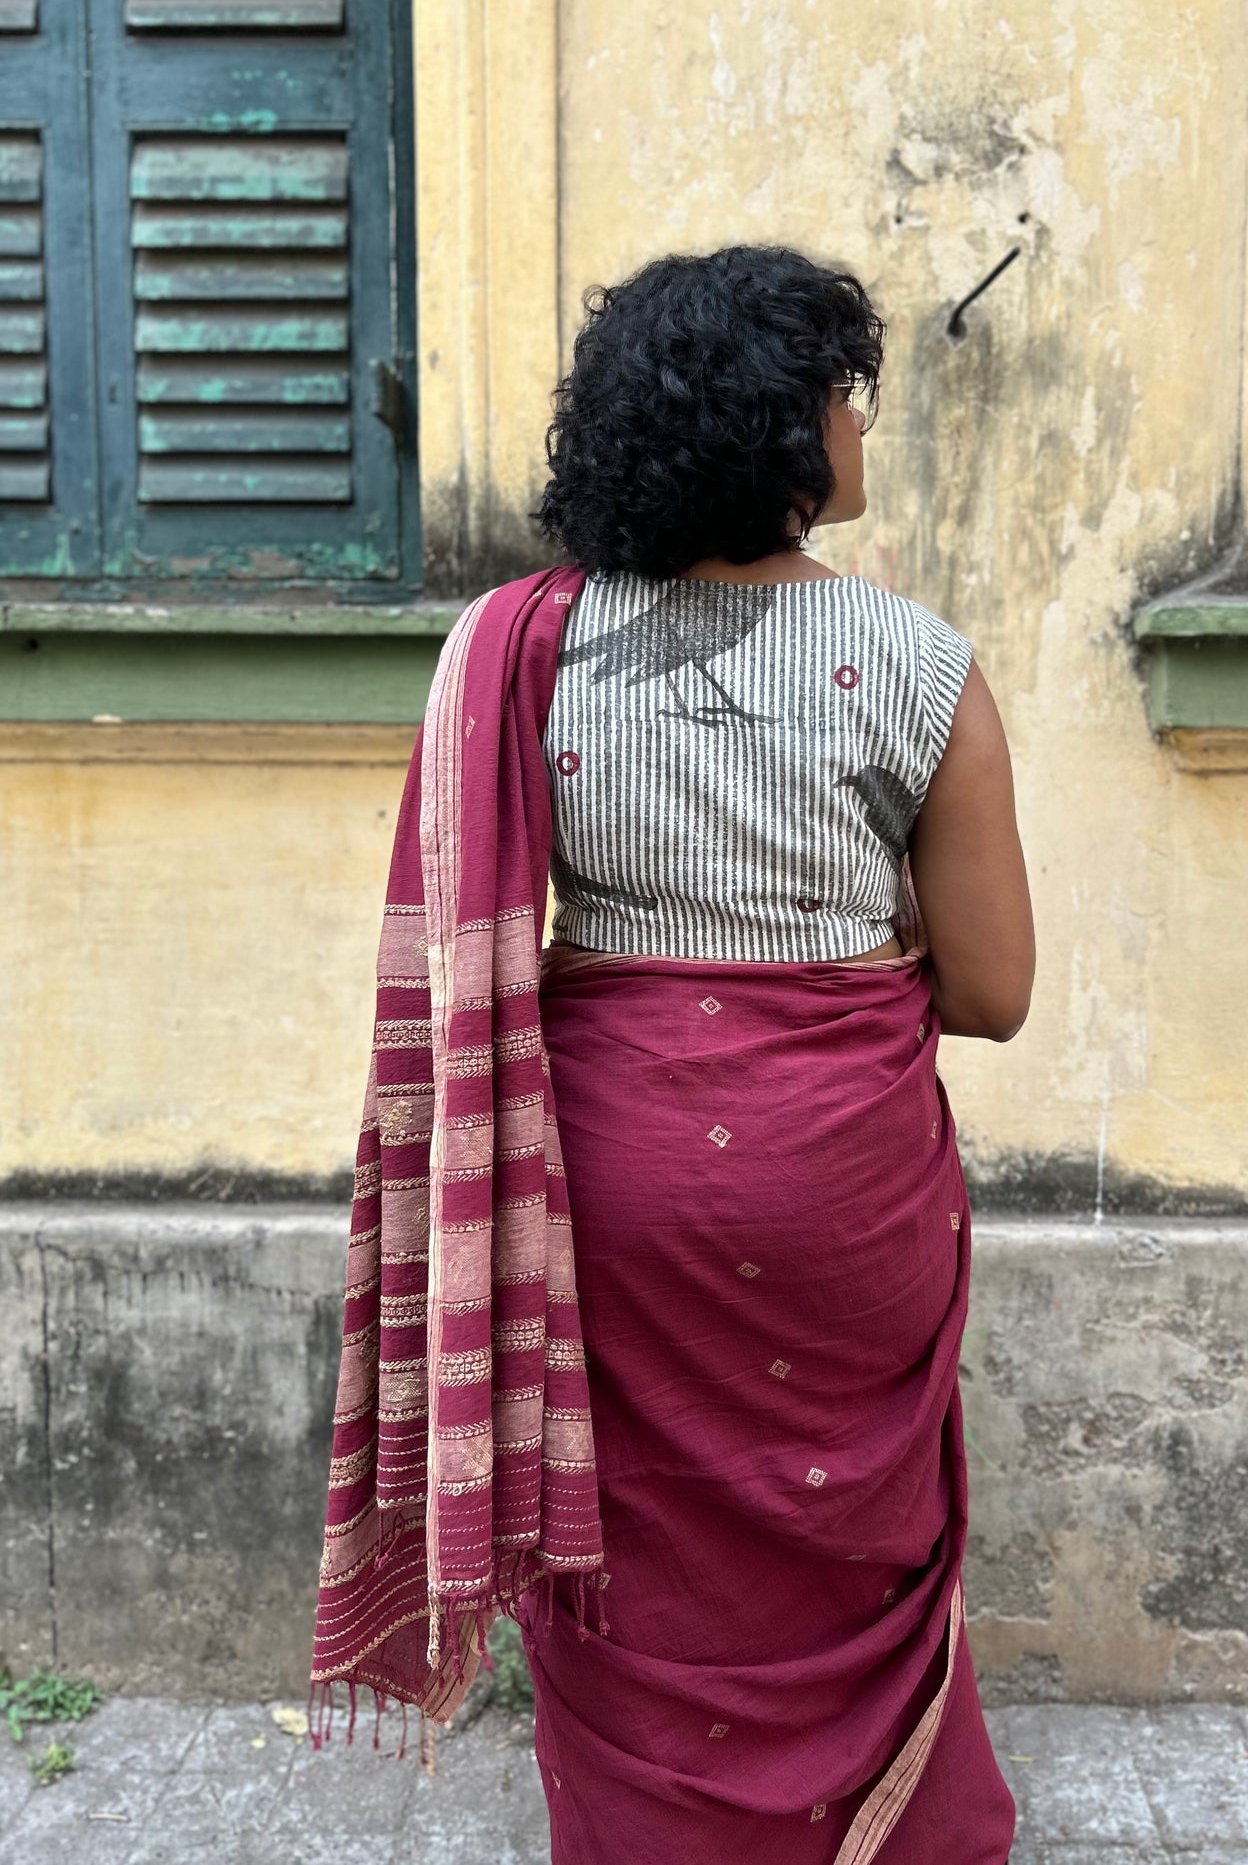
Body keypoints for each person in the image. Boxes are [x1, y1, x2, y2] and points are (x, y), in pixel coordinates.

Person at [307, 243, 1033, 1865]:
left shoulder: (519, 644)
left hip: (607, 1177)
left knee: (630, 1544)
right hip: (840, 1173)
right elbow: (990, 994)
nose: (860, 426)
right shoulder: (918, 666)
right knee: (845, 1529)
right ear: (780, 428)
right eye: (846, 395)